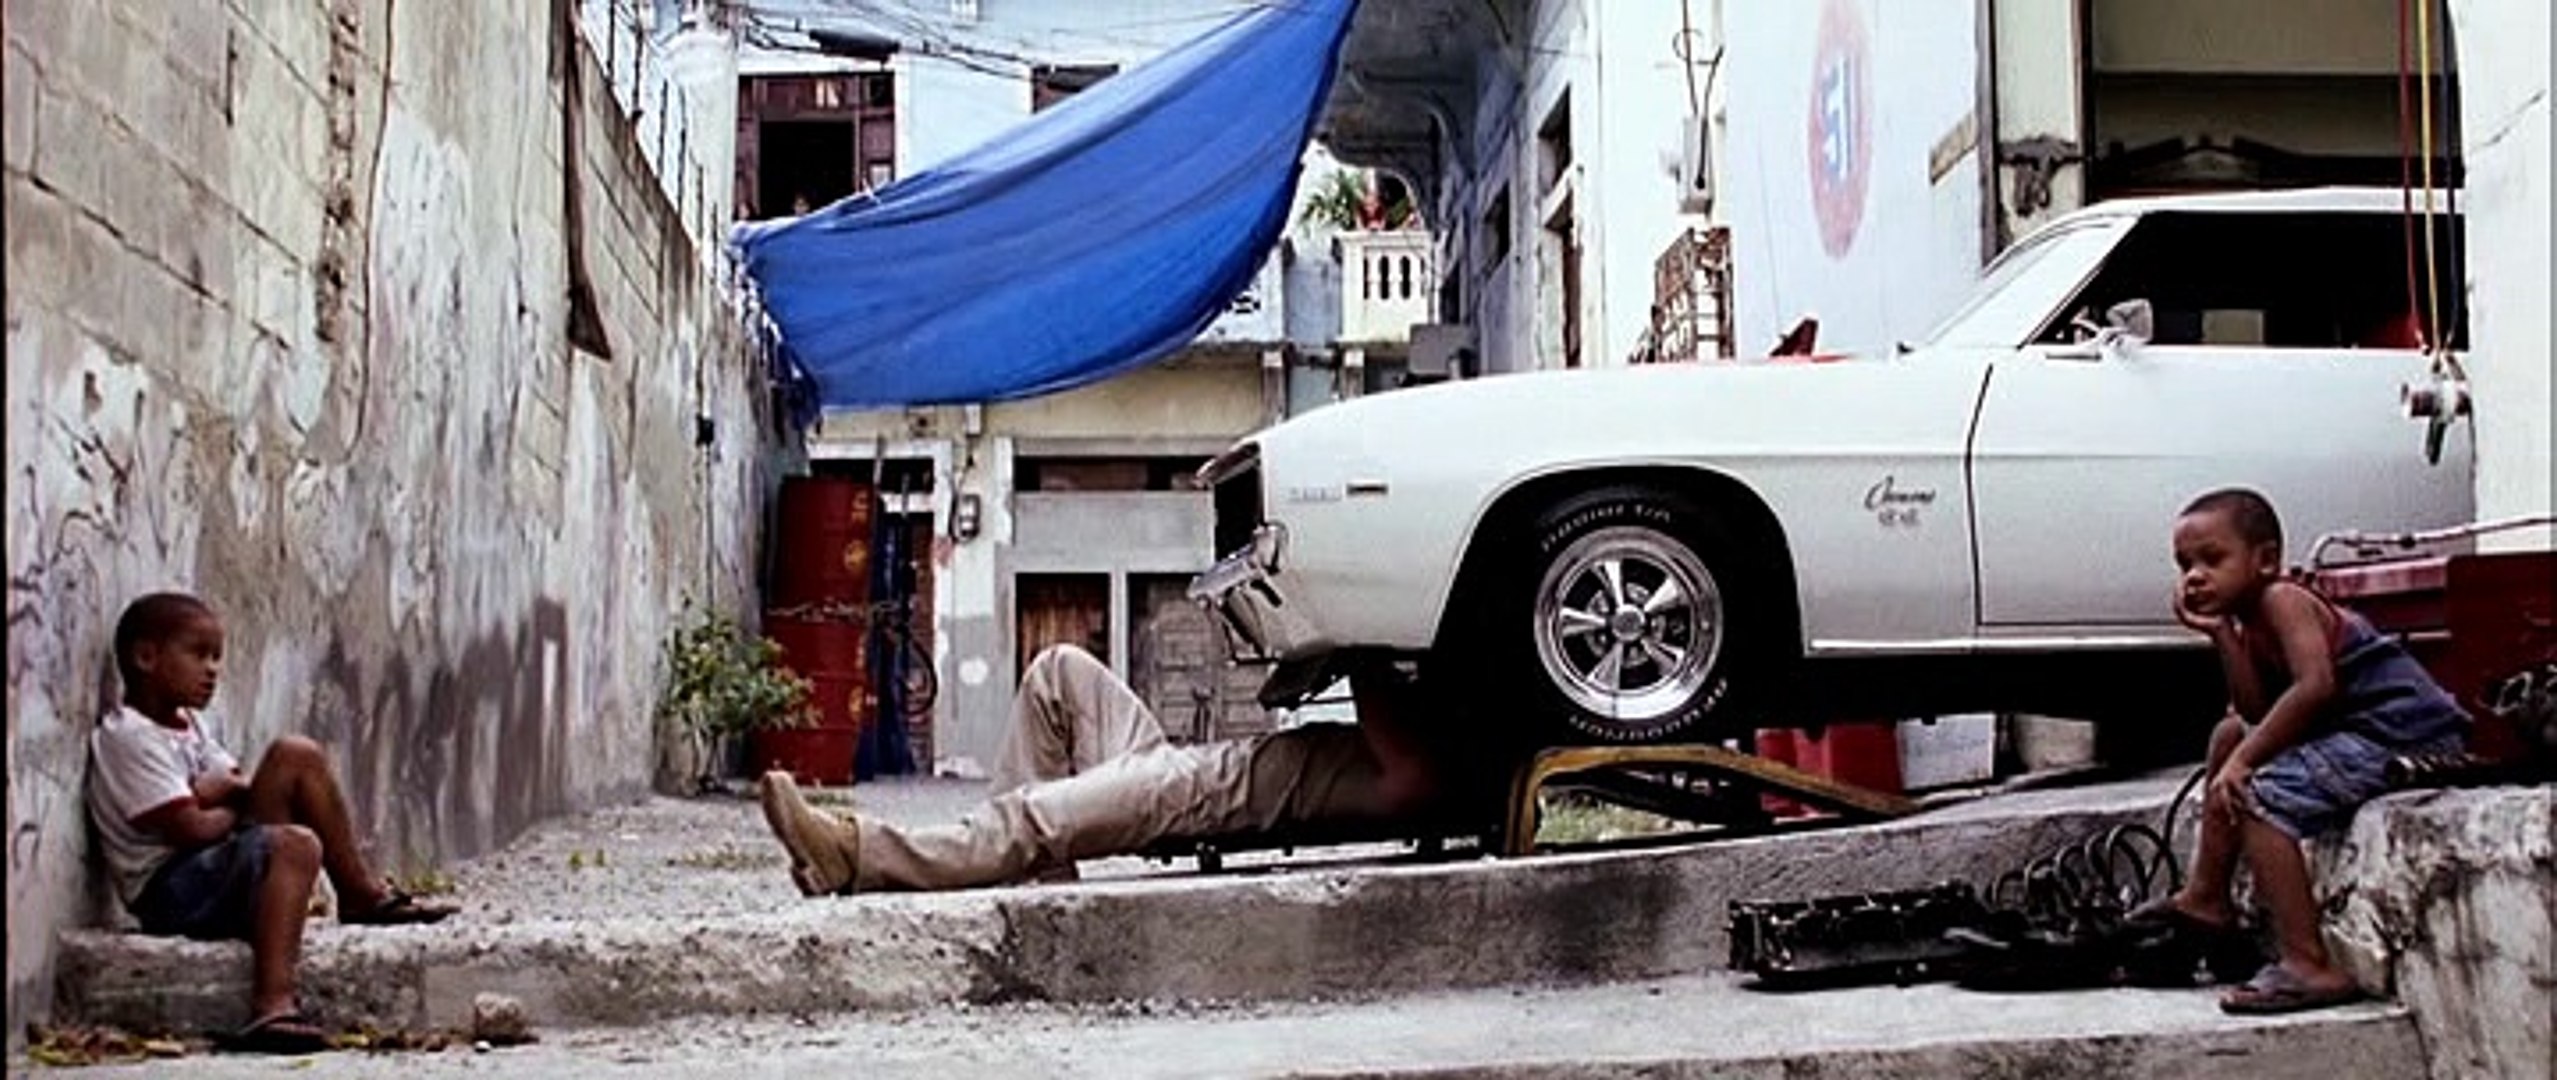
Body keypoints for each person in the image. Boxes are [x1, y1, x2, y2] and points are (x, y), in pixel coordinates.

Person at [760, 644, 1481, 894]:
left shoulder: (1445, 767)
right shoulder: (1438, 720)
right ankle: (1033, 881)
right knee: (1058, 671)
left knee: (1037, 815)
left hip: (1203, 800)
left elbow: (1408, 786)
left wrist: (1360, 649)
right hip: (1186, 768)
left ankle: (856, 854)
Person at [2134, 489, 2468, 1014]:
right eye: (2185, 565)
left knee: (2262, 797)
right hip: (2353, 729)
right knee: (2227, 736)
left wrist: (2246, 763)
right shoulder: (2247, 619)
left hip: (2402, 732)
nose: (2194, 577)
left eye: (2212, 560)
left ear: (2266, 559)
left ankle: (2308, 963)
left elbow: (2315, 686)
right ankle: (2206, 898)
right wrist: (2221, 635)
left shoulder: (2282, 600)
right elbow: (2254, 711)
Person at [87, 592, 458, 1054]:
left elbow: (236, 784)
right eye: (198, 654)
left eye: (216, 657)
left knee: (296, 754)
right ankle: (273, 1005)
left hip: (212, 865)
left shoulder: (190, 725)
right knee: (295, 845)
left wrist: (215, 795)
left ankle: (360, 893)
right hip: (171, 890)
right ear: (146, 657)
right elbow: (190, 828)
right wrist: (223, 803)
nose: (212, 670)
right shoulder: (128, 736)